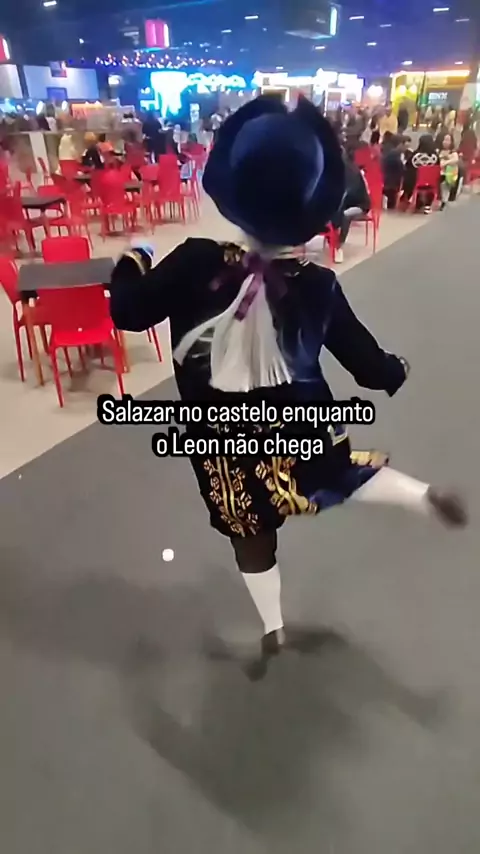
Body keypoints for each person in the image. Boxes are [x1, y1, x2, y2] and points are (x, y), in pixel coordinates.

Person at [108, 95, 467, 671]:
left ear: (234, 196)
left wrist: (132, 260)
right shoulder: (318, 285)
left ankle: (273, 628)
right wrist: (396, 369)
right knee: (343, 474)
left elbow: (127, 311)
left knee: (249, 532)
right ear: (313, 205)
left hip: (221, 442)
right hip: (301, 429)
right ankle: (423, 497)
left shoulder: (195, 262)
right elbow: (368, 365)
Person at [402, 133, 439, 212]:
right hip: (431, 183)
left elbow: (408, 165)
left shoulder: (415, 155)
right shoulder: (435, 156)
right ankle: (428, 204)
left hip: (416, 182)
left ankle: (414, 201)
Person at [382, 135, 410, 209]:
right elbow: (401, 168)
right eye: (405, 146)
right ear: (400, 144)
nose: (406, 148)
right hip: (390, 181)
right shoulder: (394, 154)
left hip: (390, 179)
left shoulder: (394, 152)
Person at [438, 133, 459, 209]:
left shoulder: (453, 152)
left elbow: (456, 159)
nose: (445, 142)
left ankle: (444, 201)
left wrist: (446, 162)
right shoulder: (439, 151)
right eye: (444, 140)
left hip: (448, 174)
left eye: (447, 140)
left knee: (445, 187)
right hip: (439, 172)